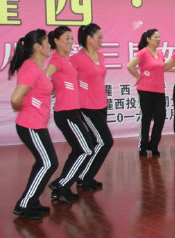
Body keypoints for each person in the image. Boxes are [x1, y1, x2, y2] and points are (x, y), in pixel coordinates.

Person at [8, 29, 59, 220]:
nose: (49, 46)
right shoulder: (30, 68)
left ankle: (33, 200)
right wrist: (26, 109)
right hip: (31, 125)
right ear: (37, 47)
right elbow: (16, 99)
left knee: (43, 162)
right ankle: (25, 204)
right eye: (47, 42)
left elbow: (39, 91)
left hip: (36, 124)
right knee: (49, 162)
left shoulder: (37, 68)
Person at [45, 26, 92, 203]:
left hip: (72, 111)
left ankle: (60, 187)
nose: (71, 41)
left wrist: (56, 89)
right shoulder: (56, 60)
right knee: (86, 149)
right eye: (66, 38)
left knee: (79, 150)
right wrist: (51, 89)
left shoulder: (66, 60)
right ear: (56, 41)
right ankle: (61, 184)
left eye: (72, 38)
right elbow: (43, 78)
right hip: (66, 113)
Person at [70, 23, 112, 190]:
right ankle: (83, 177)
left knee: (96, 141)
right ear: (88, 38)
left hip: (101, 103)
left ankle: (86, 176)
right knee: (106, 141)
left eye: (102, 37)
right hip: (86, 106)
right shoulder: (76, 59)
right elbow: (68, 80)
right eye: (98, 37)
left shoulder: (100, 56)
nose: (101, 40)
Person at [127, 28, 168, 157]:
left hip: (159, 90)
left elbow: (163, 67)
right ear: (148, 39)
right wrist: (138, 77)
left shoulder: (160, 52)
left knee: (160, 118)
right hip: (145, 90)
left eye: (159, 37)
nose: (158, 39)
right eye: (156, 37)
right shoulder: (143, 52)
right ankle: (143, 147)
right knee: (147, 118)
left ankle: (154, 145)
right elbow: (130, 65)